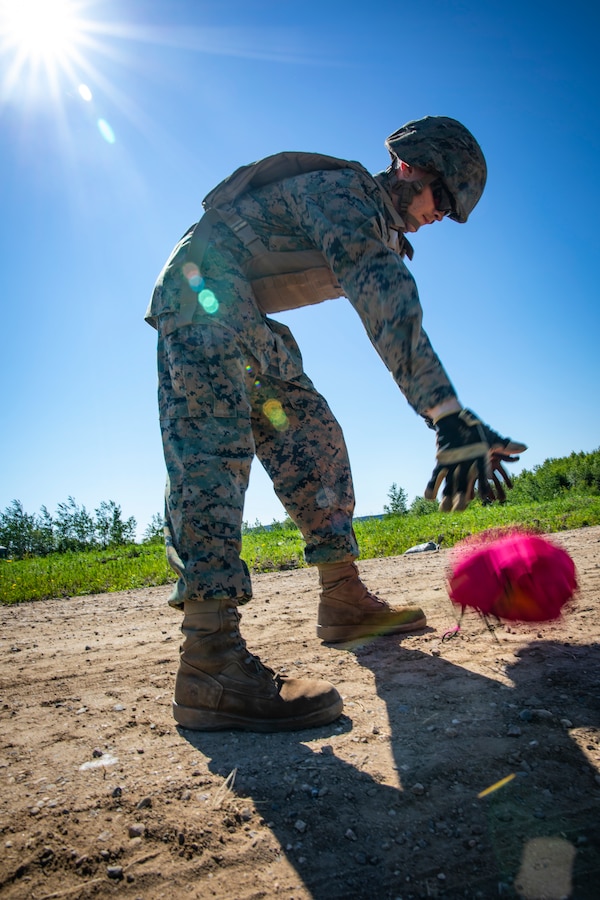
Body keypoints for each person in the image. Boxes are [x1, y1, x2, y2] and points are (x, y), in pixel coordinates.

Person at [146, 116, 526, 733]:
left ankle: (343, 598)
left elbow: (384, 286)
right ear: (410, 167)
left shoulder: (369, 217)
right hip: (201, 298)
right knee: (212, 458)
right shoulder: (344, 195)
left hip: (241, 310)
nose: (444, 216)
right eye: (444, 198)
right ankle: (209, 661)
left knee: (314, 440)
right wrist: (447, 417)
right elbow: (385, 297)